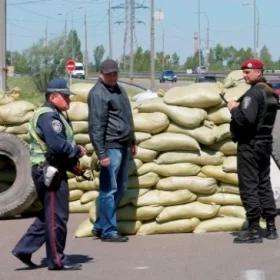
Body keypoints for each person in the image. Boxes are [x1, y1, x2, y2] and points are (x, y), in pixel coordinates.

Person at [12, 78, 86, 270]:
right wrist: (76, 151)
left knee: (48, 215)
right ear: (53, 96)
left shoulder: (53, 114)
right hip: (50, 172)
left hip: (49, 169)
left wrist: (73, 163)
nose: (68, 100)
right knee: (57, 217)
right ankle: (56, 260)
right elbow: (57, 146)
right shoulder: (49, 117)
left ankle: (24, 249)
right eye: (65, 96)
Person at [228, 58, 279, 243]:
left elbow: (245, 120)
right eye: (243, 71)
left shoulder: (253, 94)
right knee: (264, 184)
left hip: (250, 145)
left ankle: (254, 229)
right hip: (265, 143)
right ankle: (271, 226)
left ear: (259, 72)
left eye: (248, 71)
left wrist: (234, 108)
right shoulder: (270, 92)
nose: (244, 75)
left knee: (249, 186)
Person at [88, 59, 136, 242]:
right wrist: (101, 153)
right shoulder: (98, 93)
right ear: (101, 74)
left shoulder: (119, 90)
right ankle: (109, 230)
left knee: (121, 187)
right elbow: (96, 126)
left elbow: (127, 116)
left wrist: (133, 140)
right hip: (110, 146)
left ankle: (101, 225)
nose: (113, 77)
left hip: (123, 144)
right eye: (109, 74)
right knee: (108, 189)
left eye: (115, 73)